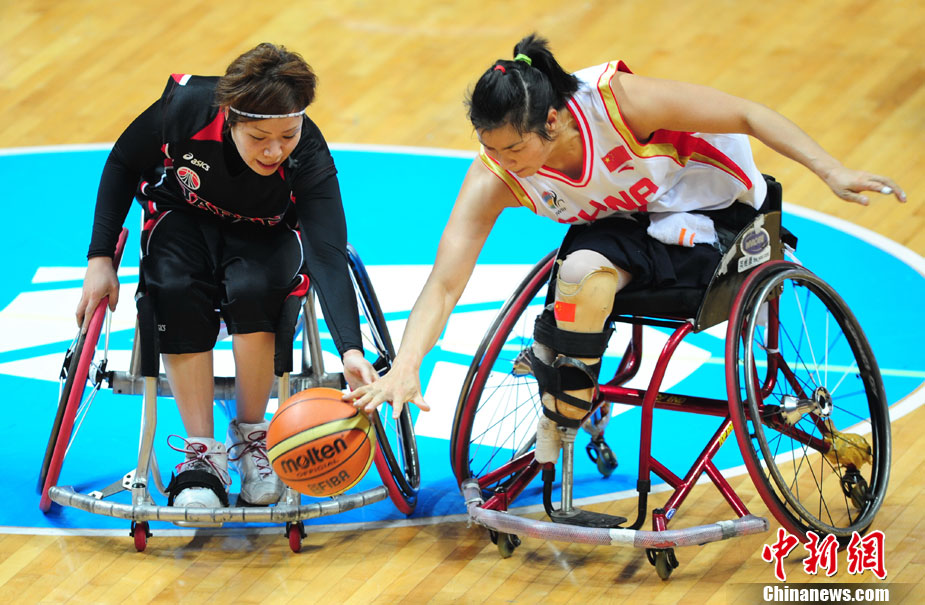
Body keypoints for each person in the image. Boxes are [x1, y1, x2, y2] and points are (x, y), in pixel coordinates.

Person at [344, 33, 905, 463]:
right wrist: (407, 366)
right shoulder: (496, 173)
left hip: (715, 213)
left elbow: (745, 113)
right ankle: (565, 414)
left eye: (513, 149)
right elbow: (446, 281)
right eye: (490, 148)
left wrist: (831, 170)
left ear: (553, 120)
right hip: (632, 226)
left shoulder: (616, 103)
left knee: (595, 272)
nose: (502, 162)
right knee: (579, 275)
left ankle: (563, 395)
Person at [76, 43, 378, 509]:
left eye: (288, 135)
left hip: (264, 234)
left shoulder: (309, 154)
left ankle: (254, 437)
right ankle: (202, 454)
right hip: (182, 218)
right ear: (230, 119)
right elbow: (123, 162)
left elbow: (327, 252)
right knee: (174, 287)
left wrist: (350, 349)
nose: (275, 150)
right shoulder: (187, 109)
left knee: (259, 289)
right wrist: (100, 258)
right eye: (259, 137)